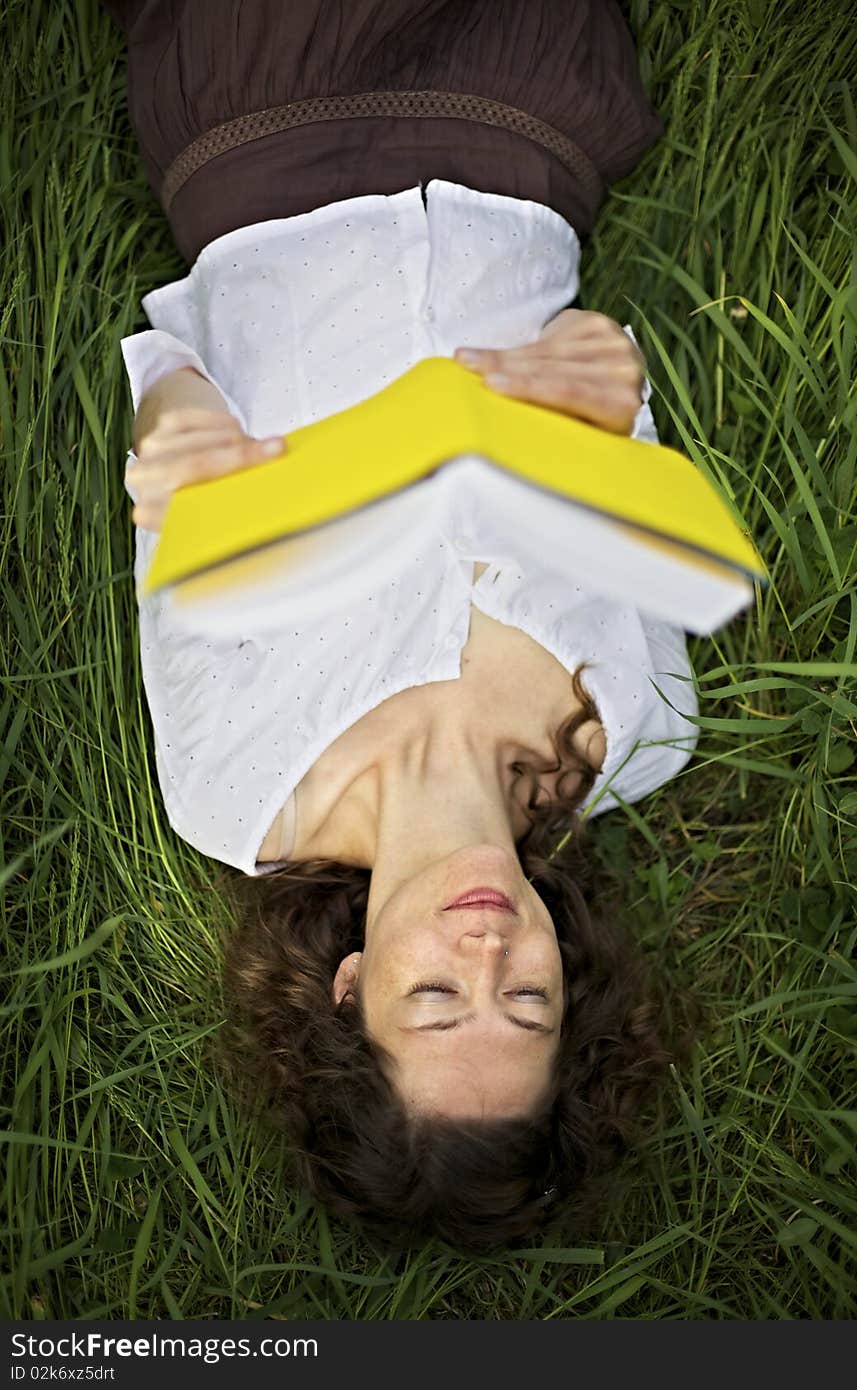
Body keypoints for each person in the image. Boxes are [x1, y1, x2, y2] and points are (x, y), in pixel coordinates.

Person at [104, 0, 702, 1248]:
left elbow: (172, 399)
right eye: (528, 1000)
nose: (485, 950)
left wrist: (180, 445)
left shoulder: (234, 789)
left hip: (266, 116)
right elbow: (611, 395)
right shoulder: (641, 734)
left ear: (351, 990)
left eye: (436, 1000)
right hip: (528, 119)